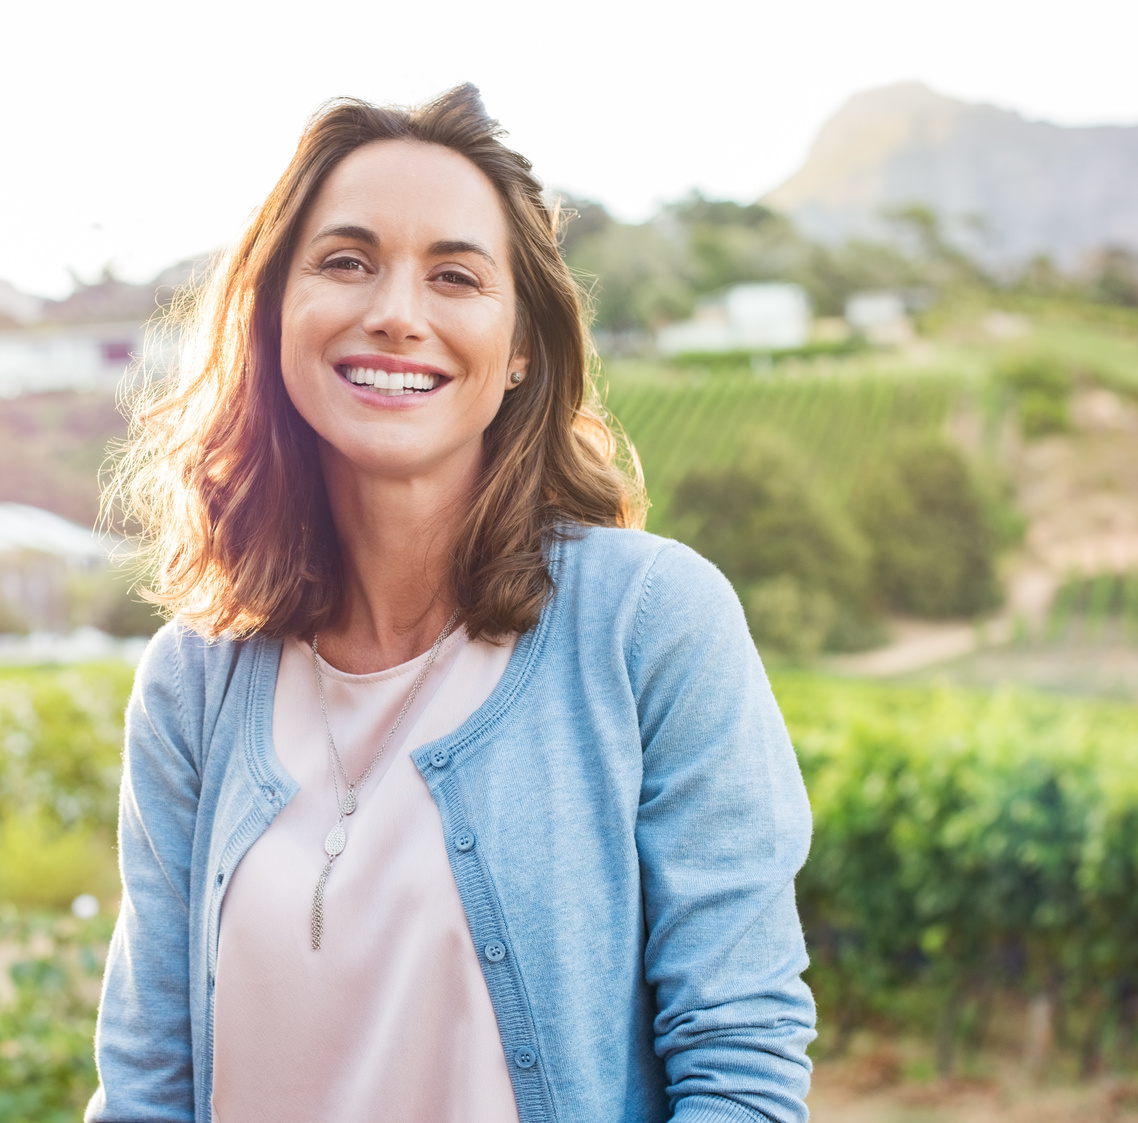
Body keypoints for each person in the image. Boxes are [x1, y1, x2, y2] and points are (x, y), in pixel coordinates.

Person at [89, 84, 816, 1123]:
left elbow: (739, 1060)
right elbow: (147, 1088)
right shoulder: (195, 679)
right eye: (346, 261)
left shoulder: (651, 624)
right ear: (275, 314)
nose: (395, 311)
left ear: (522, 345)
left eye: (456, 276)